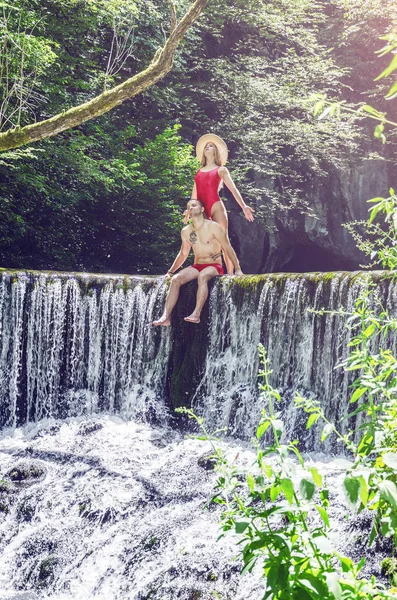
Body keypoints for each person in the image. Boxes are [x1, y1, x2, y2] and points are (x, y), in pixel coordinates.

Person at [153, 199, 243, 326]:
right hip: (197, 265)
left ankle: (196, 313)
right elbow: (183, 254)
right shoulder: (186, 231)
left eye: (194, 205)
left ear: (202, 210)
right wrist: (170, 271)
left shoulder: (213, 226)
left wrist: (237, 269)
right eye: (189, 207)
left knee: (203, 276)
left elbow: (227, 248)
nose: (191, 208)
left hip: (214, 265)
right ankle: (166, 317)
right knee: (176, 279)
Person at [189, 133, 255, 275]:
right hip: (202, 209)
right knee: (200, 240)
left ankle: (231, 275)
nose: (207, 147)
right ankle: (199, 268)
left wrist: (244, 206)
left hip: (216, 206)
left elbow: (233, 189)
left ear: (215, 151)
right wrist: (189, 209)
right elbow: (194, 195)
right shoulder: (198, 172)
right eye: (206, 146)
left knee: (223, 240)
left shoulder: (221, 170)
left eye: (211, 146)